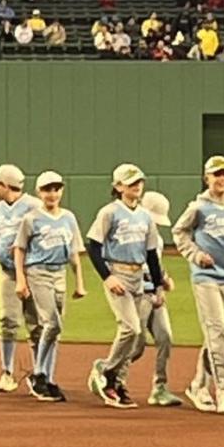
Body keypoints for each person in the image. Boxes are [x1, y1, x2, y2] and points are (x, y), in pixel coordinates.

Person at [171, 156, 224, 415]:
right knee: (217, 329)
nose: (222, 179)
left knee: (215, 334)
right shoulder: (198, 207)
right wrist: (196, 255)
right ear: (206, 177)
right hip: (205, 277)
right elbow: (179, 232)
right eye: (217, 174)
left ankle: (198, 385)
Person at [84, 163, 166, 409]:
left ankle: (117, 382)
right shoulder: (110, 212)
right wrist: (107, 277)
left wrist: (158, 286)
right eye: (130, 182)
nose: (136, 186)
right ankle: (107, 373)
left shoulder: (145, 217)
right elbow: (93, 246)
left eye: (139, 181)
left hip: (138, 276)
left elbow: (152, 254)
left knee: (137, 338)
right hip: (118, 273)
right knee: (130, 329)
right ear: (118, 187)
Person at [12, 170, 86, 403]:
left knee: (55, 331)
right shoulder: (32, 219)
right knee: (52, 323)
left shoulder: (69, 218)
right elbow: (19, 249)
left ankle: (49, 379)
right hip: (38, 273)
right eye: (47, 189)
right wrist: (21, 279)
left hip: (60, 273)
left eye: (56, 189)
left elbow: (74, 252)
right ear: (39, 192)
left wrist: (80, 282)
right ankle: (39, 374)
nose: (52, 194)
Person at [0, 162, 39, 394]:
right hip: (7, 272)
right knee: (7, 322)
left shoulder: (34, 207)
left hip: (33, 273)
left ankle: (40, 373)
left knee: (36, 325)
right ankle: (7, 373)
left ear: (6, 185)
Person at [127, 191, 183, 407]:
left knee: (165, 337)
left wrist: (163, 283)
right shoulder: (132, 234)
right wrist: (156, 286)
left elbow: (155, 266)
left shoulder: (157, 239)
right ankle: (109, 372)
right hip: (139, 294)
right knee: (136, 346)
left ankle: (160, 387)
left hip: (154, 294)